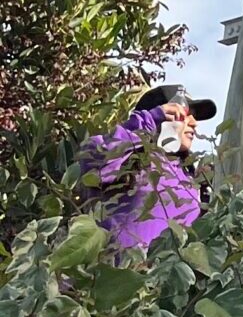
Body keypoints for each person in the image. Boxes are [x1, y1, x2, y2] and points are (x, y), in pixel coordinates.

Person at [80, 84, 217, 249]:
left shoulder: (190, 178)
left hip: (168, 272)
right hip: (120, 270)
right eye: (186, 114)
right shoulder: (128, 157)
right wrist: (148, 121)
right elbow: (100, 162)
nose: (194, 123)